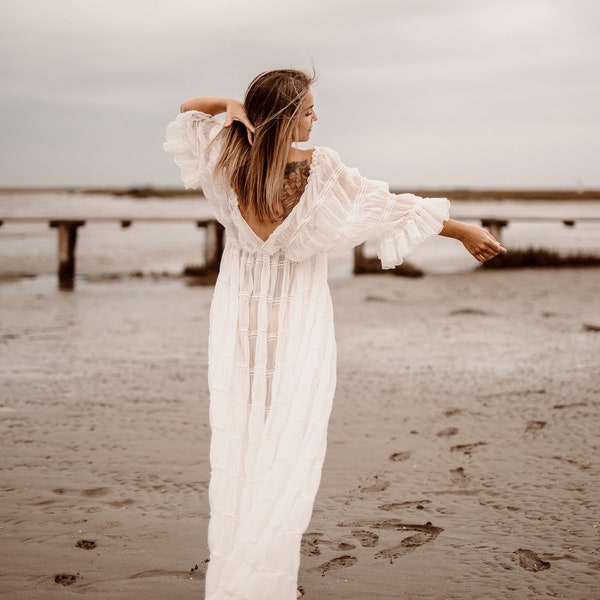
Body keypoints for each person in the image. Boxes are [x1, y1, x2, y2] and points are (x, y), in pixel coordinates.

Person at [164, 68, 506, 600]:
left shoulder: (228, 159)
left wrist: (232, 107)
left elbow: (189, 108)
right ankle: (268, 578)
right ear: (284, 116)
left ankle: (246, 571)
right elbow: (392, 207)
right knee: (287, 444)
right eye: (307, 109)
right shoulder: (319, 171)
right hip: (296, 324)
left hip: (240, 321)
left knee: (245, 442)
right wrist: (461, 230)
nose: (316, 117)